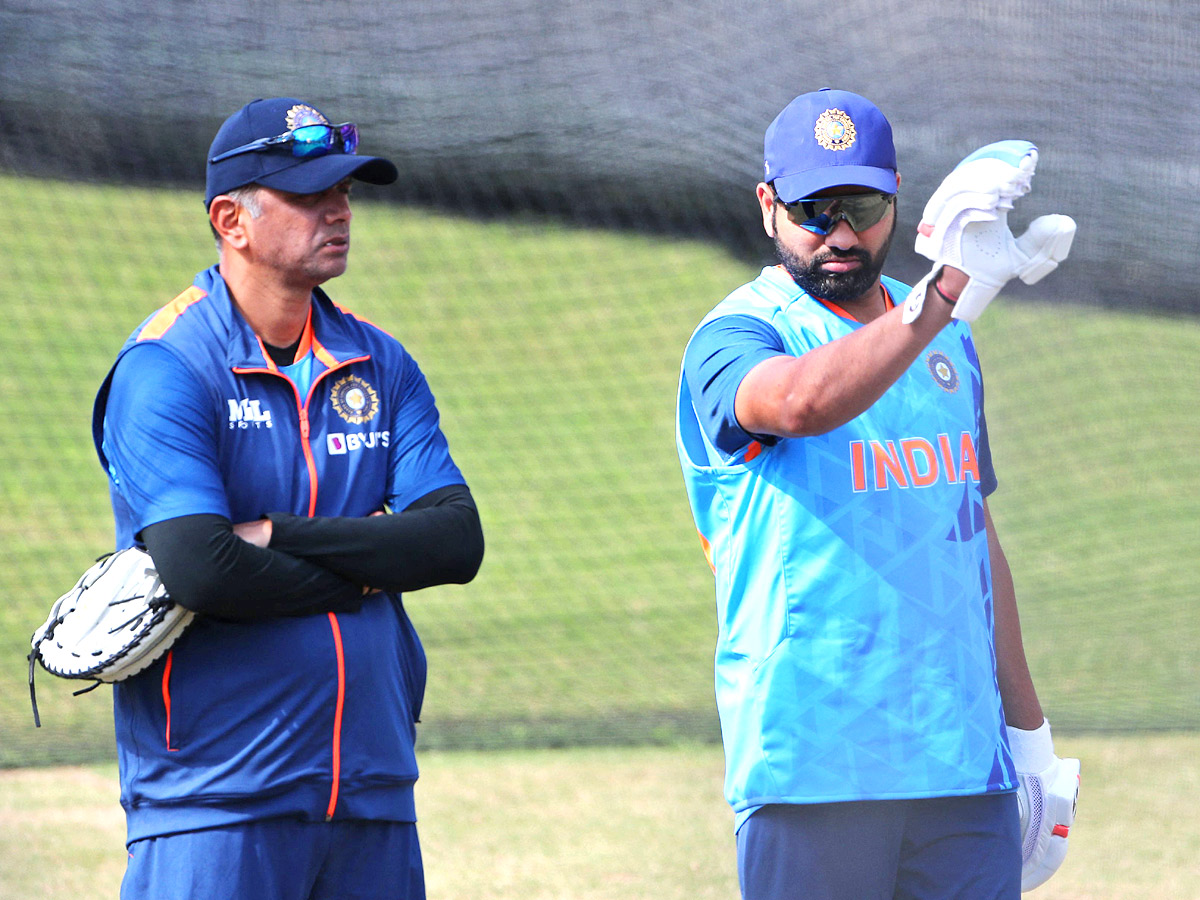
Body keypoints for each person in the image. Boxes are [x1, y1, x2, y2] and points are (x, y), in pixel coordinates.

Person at [674, 88, 1079, 899]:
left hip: (962, 765)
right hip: (814, 766)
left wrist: (1028, 736)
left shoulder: (948, 345)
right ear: (768, 206)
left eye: (861, 206)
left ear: (894, 200)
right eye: (813, 210)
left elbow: (974, 536)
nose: (842, 235)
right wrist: (941, 298)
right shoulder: (735, 337)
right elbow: (798, 403)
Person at [92, 97, 484, 900]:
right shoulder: (166, 367)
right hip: (214, 796)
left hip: (371, 788)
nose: (338, 210)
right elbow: (204, 569)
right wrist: (368, 571)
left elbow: (453, 541)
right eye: (309, 195)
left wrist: (274, 534)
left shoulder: (381, 361)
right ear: (230, 219)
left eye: (343, 192)